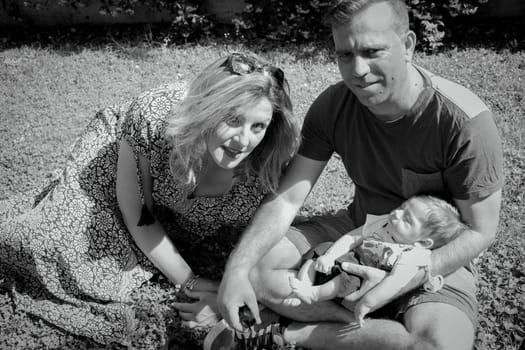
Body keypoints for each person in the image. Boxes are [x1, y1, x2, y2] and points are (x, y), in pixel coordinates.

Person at [211, 1, 504, 349]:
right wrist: (236, 270)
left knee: (440, 345)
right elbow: (289, 196)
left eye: (372, 51)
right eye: (345, 55)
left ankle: (287, 333)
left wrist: (408, 275)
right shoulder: (334, 106)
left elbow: (480, 230)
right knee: (258, 270)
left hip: (431, 248)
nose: (358, 70)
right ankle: (362, 325)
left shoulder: (462, 122)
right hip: (357, 228)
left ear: (408, 45)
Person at [0, 52, 299, 345]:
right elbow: (139, 211)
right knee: (44, 243)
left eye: (257, 126)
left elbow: (268, 246)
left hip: (169, 208)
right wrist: (191, 282)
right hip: (119, 170)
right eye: (232, 119)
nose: (243, 140)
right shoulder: (153, 118)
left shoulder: (269, 164)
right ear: (208, 109)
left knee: (114, 265)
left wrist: (226, 292)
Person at [286, 195, 467, 326]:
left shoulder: (413, 255)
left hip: (363, 282)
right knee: (321, 249)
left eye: (407, 219)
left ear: (422, 242)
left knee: (347, 279)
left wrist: (368, 303)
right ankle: (303, 285)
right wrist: (330, 256)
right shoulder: (383, 221)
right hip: (351, 259)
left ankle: (313, 295)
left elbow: (393, 282)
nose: (396, 215)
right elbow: (353, 237)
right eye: (402, 208)